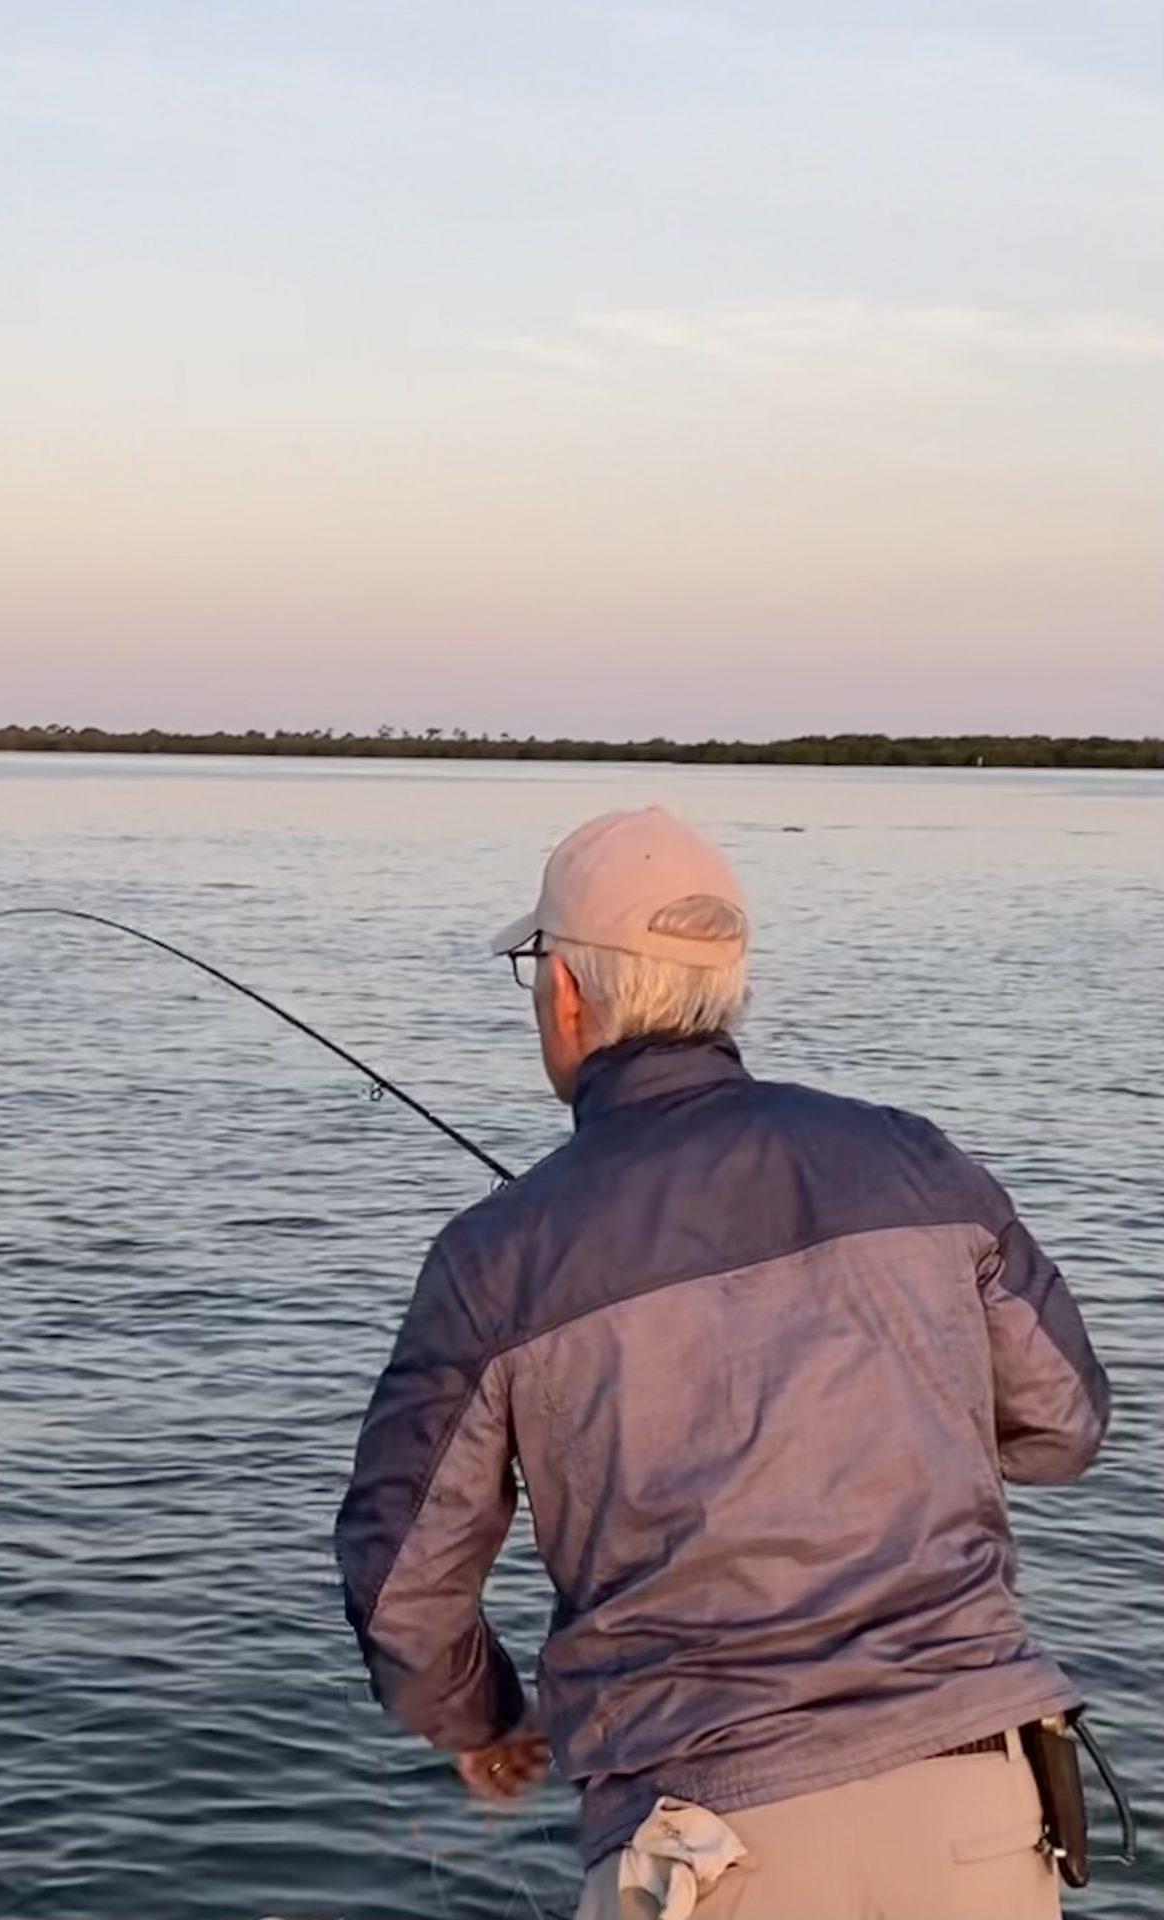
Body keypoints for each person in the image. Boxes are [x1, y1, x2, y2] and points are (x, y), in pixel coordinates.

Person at [332, 806, 1110, 1918]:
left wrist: (484, 1718)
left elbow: (402, 1588)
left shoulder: (494, 1259)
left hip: (709, 1849)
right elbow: (1064, 1423)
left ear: (565, 994)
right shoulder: (919, 1163)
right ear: (725, 986)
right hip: (975, 1829)